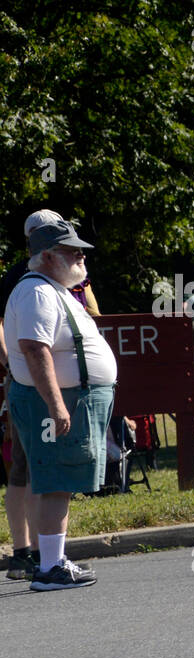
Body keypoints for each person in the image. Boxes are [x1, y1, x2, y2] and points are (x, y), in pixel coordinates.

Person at [2, 221, 117, 590]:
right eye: (72, 250)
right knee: (55, 480)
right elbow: (36, 349)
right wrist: (56, 405)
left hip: (63, 399)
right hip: (53, 402)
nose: (81, 255)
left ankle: (53, 560)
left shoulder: (52, 288)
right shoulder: (37, 291)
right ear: (48, 256)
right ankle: (50, 567)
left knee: (57, 480)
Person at [2, 210, 76, 579]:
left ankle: (39, 551)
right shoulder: (23, 278)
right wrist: (13, 365)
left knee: (35, 468)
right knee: (30, 468)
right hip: (34, 387)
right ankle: (29, 553)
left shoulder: (69, 271)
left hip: (53, 386)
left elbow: (89, 310)